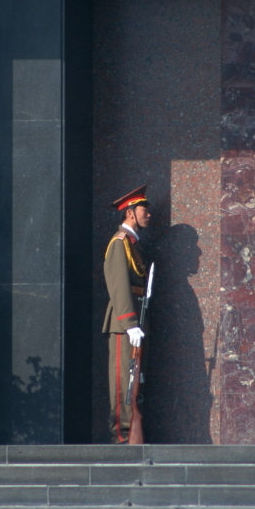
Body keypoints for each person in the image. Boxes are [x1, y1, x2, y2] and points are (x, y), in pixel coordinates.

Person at [103, 185, 151, 443]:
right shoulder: (119, 243)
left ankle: (131, 433)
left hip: (137, 320)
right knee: (124, 382)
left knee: (136, 383)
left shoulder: (134, 244)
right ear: (130, 213)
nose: (148, 214)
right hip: (125, 325)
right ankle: (121, 437)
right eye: (144, 209)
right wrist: (130, 323)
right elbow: (118, 285)